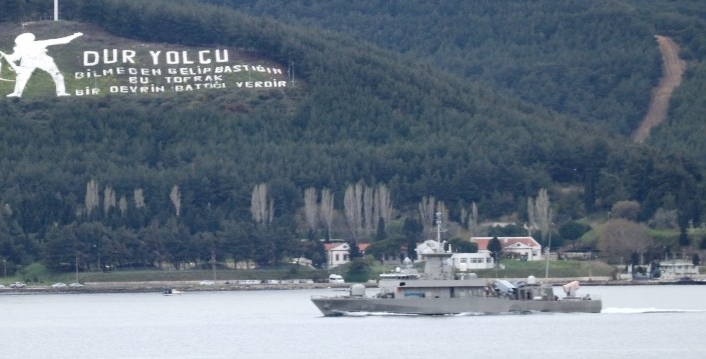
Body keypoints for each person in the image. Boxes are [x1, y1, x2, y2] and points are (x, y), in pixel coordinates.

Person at [0, 32, 82, 97]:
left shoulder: (39, 43)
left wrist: (74, 36)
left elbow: (62, 41)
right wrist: (7, 56)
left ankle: (61, 92)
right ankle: (17, 93)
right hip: (28, 62)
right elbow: (15, 57)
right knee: (21, 78)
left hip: (43, 60)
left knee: (57, 75)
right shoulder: (19, 48)